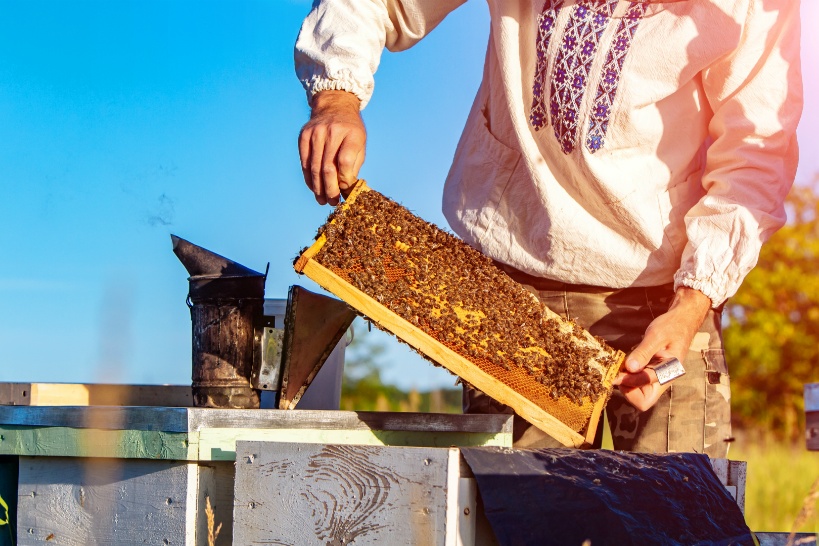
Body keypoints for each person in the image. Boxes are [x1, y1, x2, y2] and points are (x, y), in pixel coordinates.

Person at [294, 0, 802, 457]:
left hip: (661, 309)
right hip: (513, 288)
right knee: (521, 521)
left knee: (679, 520)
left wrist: (692, 306)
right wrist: (337, 99)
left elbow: (754, 157)